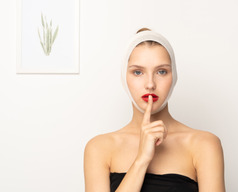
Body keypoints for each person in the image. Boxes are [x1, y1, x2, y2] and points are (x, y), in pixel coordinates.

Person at [84, 28, 225, 192]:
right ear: (124, 78)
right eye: (138, 72)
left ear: (174, 77)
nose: (150, 84)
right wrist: (141, 159)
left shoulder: (204, 144)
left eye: (161, 71)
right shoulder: (99, 148)